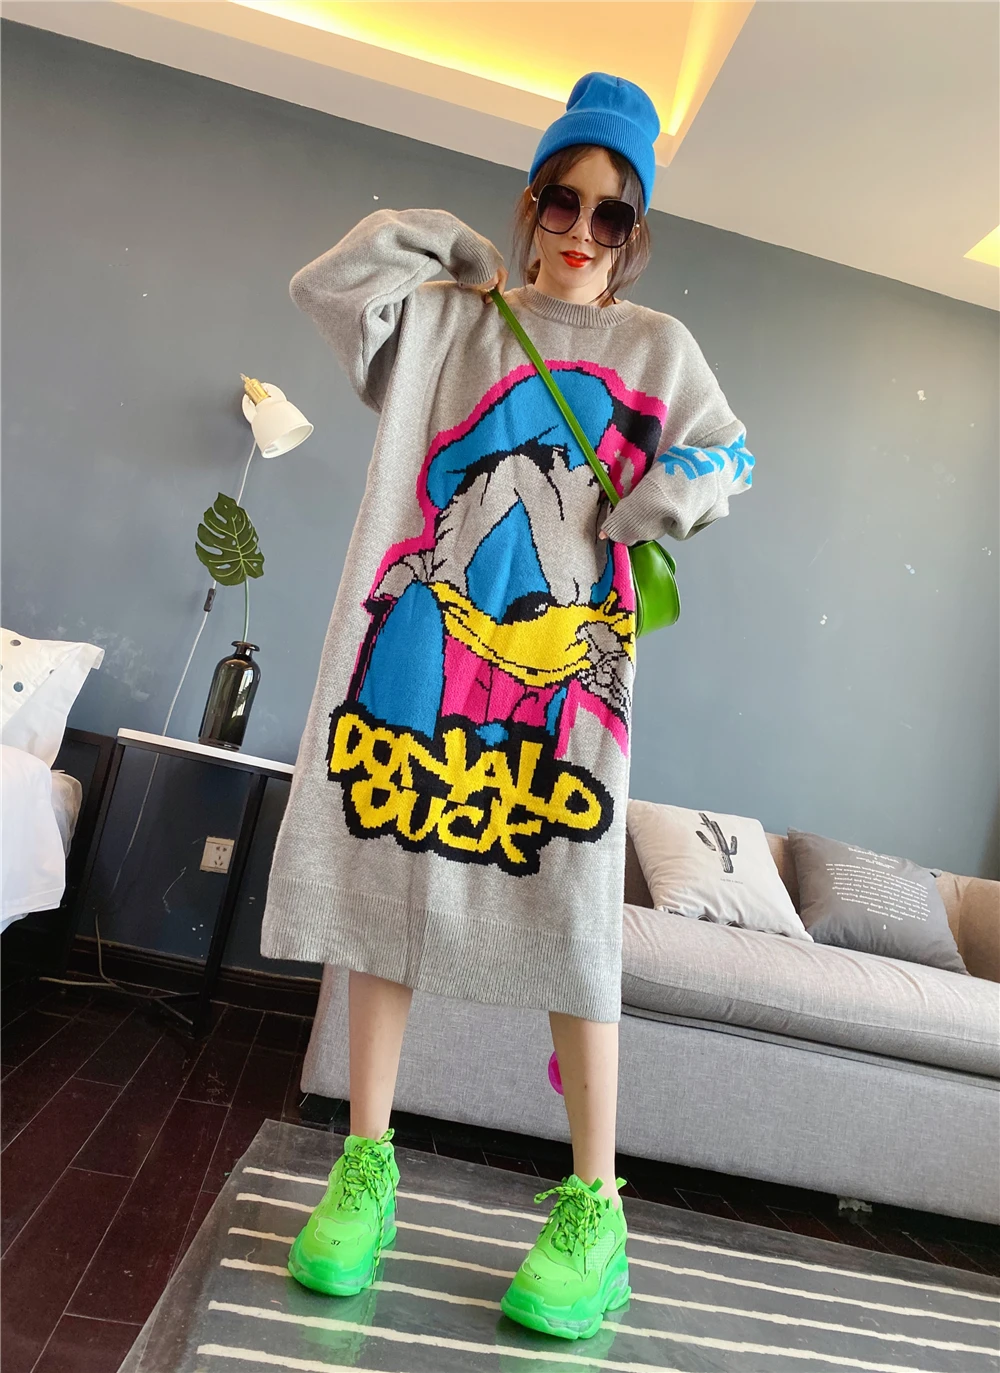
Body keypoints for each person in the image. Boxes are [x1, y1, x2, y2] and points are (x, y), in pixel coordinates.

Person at [260, 71, 753, 1342]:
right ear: (531, 204)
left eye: (611, 213)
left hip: (567, 688)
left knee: (573, 920)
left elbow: (731, 451)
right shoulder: (449, 318)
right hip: (422, 658)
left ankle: (595, 1209)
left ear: (635, 232)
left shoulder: (658, 350)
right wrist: (432, 236)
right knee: (388, 878)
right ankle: (365, 1168)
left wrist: (669, 493)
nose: (582, 232)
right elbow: (327, 290)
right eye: (561, 200)